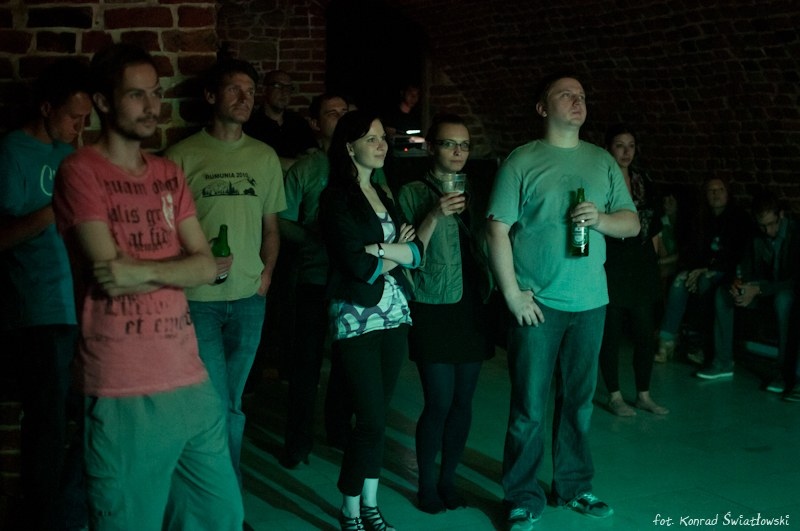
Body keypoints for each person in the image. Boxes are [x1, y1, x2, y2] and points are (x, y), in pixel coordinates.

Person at [52, 43, 243, 530]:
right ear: (103, 101)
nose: (151, 106)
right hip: (123, 385)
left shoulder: (168, 174)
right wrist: (176, 266)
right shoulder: (81, 171)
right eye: (136, 95)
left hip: (190, 379)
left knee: (219, 517)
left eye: (155, 93)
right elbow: (109, 274)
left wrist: (143, 270)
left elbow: (209, 267)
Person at [486, 73, 639, 530]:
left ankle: (572, 485)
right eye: (566, 95)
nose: (578, 101)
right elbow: (496, 229)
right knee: (529, 406)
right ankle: (521, 495)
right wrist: (512, 294)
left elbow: (631, 222)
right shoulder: (522, 160)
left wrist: (601, 220)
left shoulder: (602, 161)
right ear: (542, 107)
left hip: (590, 302)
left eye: (583, 96)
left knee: (579, 402)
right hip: (539, 303)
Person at [165, 59, 285, 485]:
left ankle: (224, 499)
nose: (244, 98)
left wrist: (266, 276)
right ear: (211, 96)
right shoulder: (181, 156)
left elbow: (272, 228)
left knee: (232, 403)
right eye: (234, 89)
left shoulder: (264, 156)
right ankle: (213, 498)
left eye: (250, 91)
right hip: (199, 301)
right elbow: (165, 232)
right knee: (212, 403)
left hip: (249, 298)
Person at [318, 110, 423, 531]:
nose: (382, 145)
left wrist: (378, 250)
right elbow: (356, 266)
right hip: (356, 315)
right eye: (372, 139)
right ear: (349, 147)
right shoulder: (335, 198)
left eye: (383, 138)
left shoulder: (383, 191)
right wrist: (392, 251)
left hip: (395, 312)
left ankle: (371, 505)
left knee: (378, 420)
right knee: (371, 419)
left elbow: (417, 253)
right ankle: (349, 509)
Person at [0, 57, 92, 531]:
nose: (80, 127)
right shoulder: (12, 152)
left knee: (96, 412)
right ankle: (43, 521)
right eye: (74, 116)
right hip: (37, 310)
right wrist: (51, 209)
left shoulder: (69, 155)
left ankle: (63, 513)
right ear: (46, 108)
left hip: (77, 308)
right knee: (48, 426)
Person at [397, 113, 494, 513]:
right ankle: (426, 485)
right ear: (431, 148)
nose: (458, 152)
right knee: (438, 401)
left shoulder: (476, 190)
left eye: (464, 145)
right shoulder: (411, 193)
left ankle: (448, 480)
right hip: (433, 303)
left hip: (471, 305)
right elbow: (409, 254)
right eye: (449, 144)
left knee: (462, 402)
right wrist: (435, 213)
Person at [278, 92, 350, 468]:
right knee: (305, 363)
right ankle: (298, 441)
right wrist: (312, 236)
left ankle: (338, 429)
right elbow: (282, 220)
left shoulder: (364, 163)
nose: (340, 118)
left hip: (352, 277)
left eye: (344, 112)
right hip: (315, 276)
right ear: (315, 122)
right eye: (331, 113)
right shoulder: (306, 169)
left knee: (347, 360)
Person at [598, 124, 668, 416]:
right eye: (619, 145)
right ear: (608, 149)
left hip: (640, 264)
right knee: (611, 334)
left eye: (631, 145)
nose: (626, 152)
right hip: (612, 262)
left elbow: (654, 224)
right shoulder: (601, 180)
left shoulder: (644, 180)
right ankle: (614, 395)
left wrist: (655, 262)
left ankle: (643, 394)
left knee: (644, 333)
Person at [697, 190, 798, 382]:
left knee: (784, 301)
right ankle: (723, 362)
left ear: (781, 215)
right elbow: (746, 267)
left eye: (772, 224)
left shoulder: (795, 233)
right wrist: (739, 283)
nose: (768, 230)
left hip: (786, 290)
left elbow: (794, 280)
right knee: (723, 294)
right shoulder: (755, 234)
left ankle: (785, 372)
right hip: (762, 289)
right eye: (763, 225)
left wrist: (758, 289)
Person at [657, 177, 751, 364]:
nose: (716, 194)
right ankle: (666, 342)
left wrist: (707, 269)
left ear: (728, 193)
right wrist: (694, 270)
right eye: (711, 190)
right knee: (679, 282)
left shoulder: (739, 218)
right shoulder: (701, 219)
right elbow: (693, 251)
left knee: (704, 282)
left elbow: (737, 255)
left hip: (727, 272)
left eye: (720, 189)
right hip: (702, 269)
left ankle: (705, 345)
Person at [244, 69, 318, 172]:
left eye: (288, 88)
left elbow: (314, 157)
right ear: (264, 90)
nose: (284, 92)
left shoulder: (298, 122)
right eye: (278, 86)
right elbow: (253, 159)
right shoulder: (251, 124)